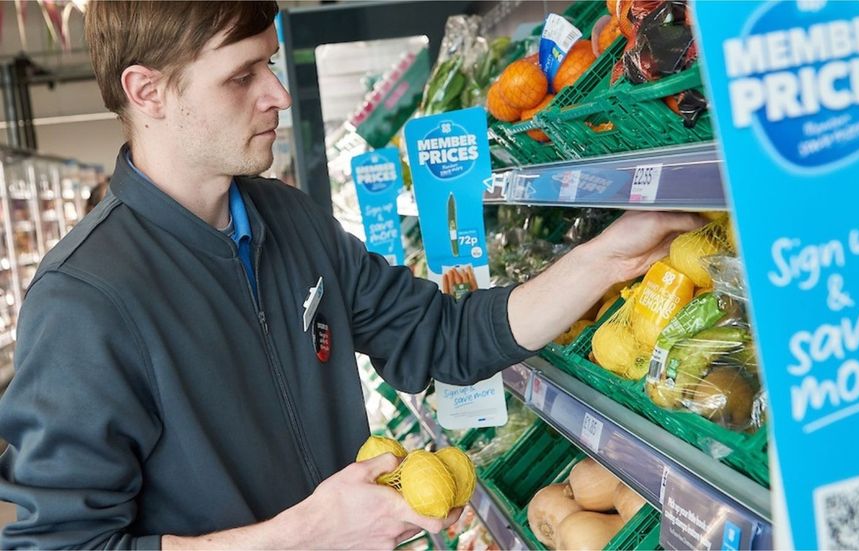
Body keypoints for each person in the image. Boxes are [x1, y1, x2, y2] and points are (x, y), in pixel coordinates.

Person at [0, 2, 701, 549]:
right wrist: (304, 535)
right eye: (242, 76)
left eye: (269, 63)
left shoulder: (289, 220)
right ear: (146, 91)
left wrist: (616, 253)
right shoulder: (85, 300)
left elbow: (442, 334)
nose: (276, 93)